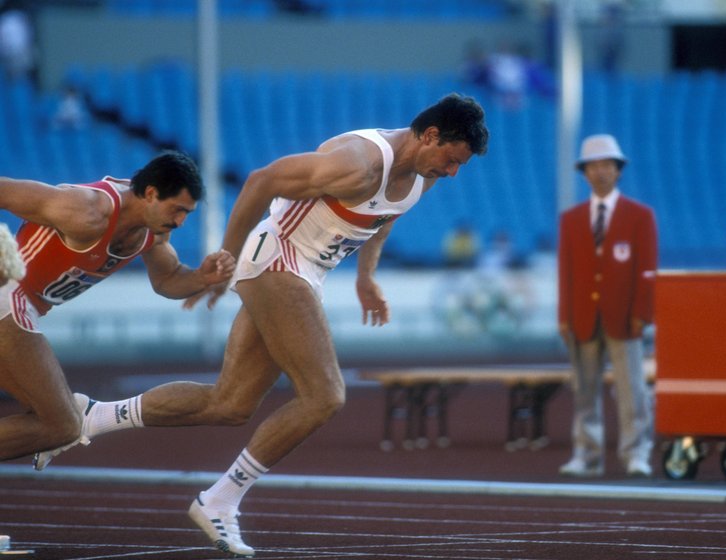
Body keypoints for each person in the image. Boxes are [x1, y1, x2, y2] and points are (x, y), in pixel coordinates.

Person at [39, 93, 489, 557]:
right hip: (277, 262)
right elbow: (260, 181)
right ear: (431, 135)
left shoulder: (422, 176)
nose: (452, 172)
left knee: (229, 404)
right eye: (451, 160)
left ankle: (91, 415)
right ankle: (220, 499)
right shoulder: (358, 163)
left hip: (304, 273)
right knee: (325, 396)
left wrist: (367, 277)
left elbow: (386, 219)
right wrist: (227, 258)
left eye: (459, 166)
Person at [0, 151, 236, 464]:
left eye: (187, 214)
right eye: (178, 210)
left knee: (55, 420)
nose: (180, 222)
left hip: (23, 310)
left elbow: (167, 281)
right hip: (8, 299)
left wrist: (202, 278)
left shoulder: (153, 232)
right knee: (63, 425)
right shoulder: (86, 210)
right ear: (151, 194)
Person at [557, 134, 657, 478]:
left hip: (624, 318)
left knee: (633, 390)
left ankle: (636, 453)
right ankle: (587, 454)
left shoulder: (640, 216)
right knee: (584, 389)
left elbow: (647, 271)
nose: (600, 172)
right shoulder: (571, 219)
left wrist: (642, 314)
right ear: (584, 172)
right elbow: (566, 272)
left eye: (607, 165)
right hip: (583, 317)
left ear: (618, 170)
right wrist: (564, 316)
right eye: (594, 166)